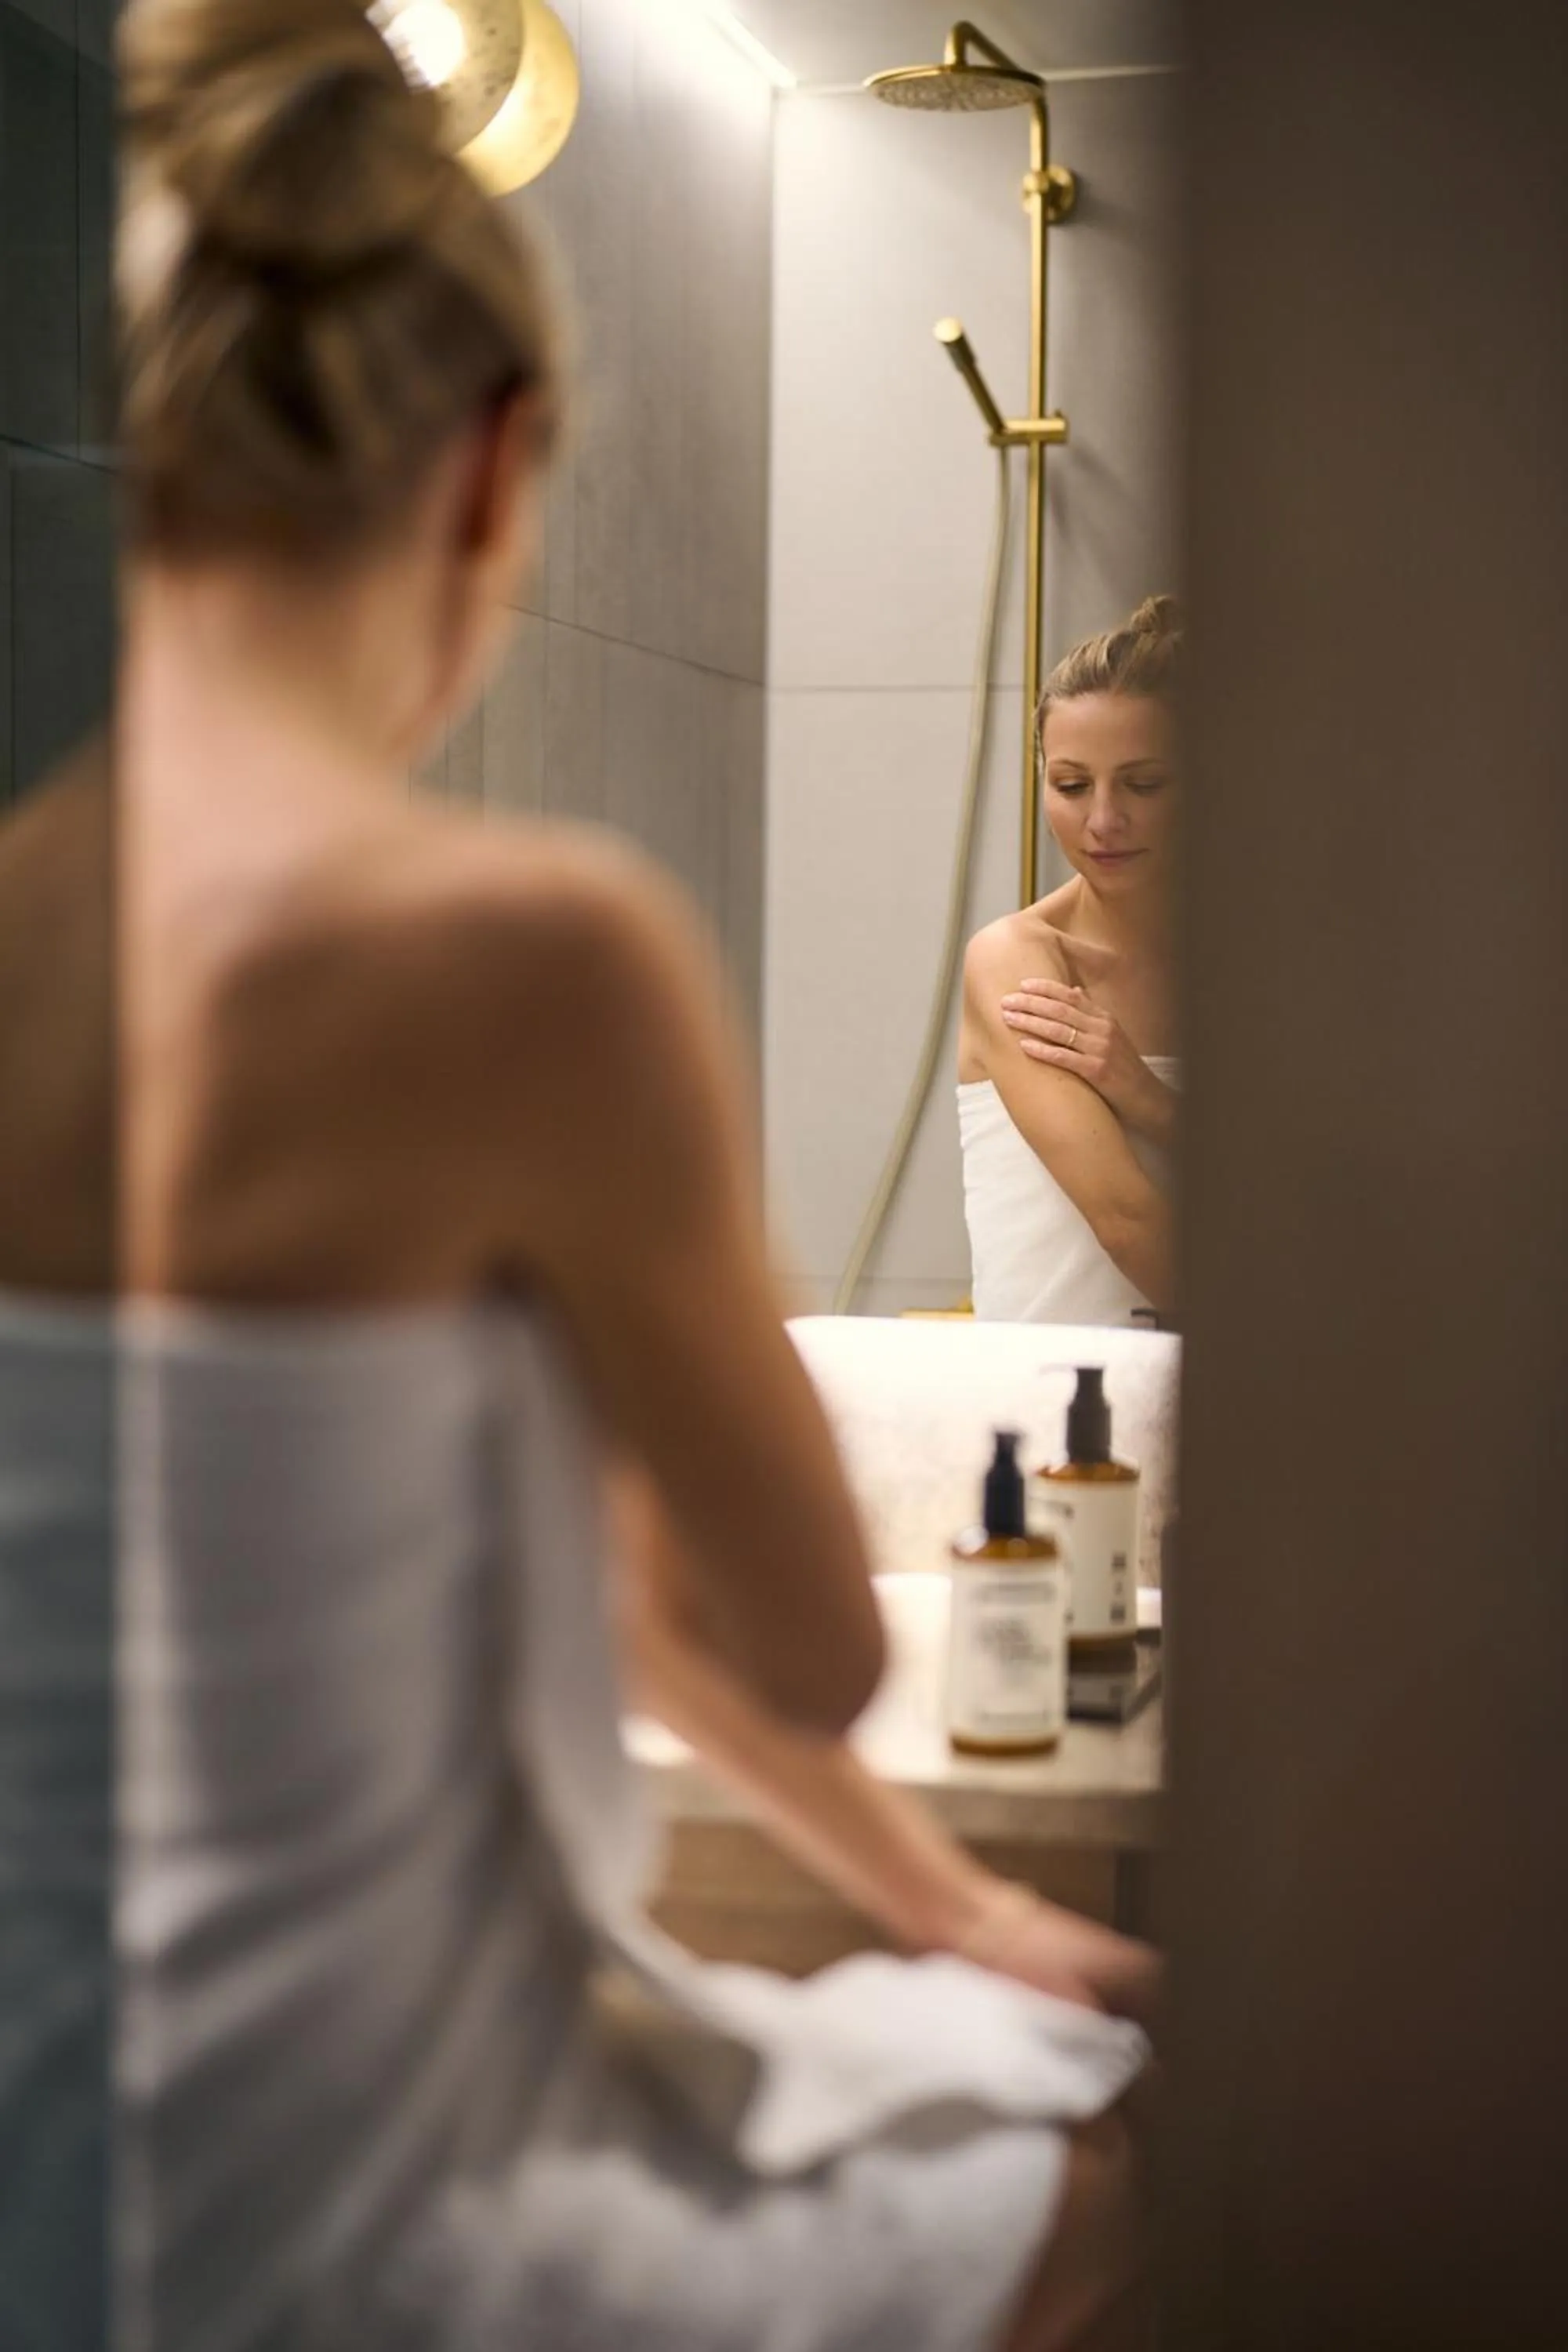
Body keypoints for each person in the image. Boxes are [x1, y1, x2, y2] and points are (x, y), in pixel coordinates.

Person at [111, 5, 1153, 2348]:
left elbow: (584, 1567)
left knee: (959, 2027)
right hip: (341, 2180)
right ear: (494, 479)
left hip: (72, 2122)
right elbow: (798, 1632)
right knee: (1100, 2166)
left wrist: (926, 1890)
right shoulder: (526, 956)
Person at [960, 602, 1181, 1325]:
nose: (1104, 822)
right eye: (1072, 785)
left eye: (1144, 784)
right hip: (1043, 1408)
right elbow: (1128, 1221)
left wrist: (1142, 1093)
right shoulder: (1018, 960)